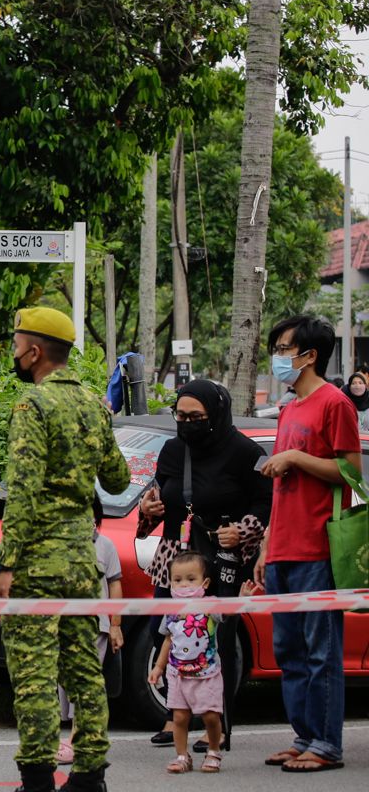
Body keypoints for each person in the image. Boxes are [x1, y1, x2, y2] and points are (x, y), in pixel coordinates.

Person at [0, 307, 131, 792]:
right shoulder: (93, 404)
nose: (13, 353)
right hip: (81, 561)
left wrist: (5, 563)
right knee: (83, 669)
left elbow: (23, 490)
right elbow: (117, 478)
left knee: (33, 674)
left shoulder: (33, 404)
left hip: (36, 566)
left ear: (34, 351)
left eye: (15, 345)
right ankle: (91, 775)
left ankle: (37, 779)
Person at [136, 380, 271, 751]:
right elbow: (157, 497)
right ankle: (174, 716)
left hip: (219, 563)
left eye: (196, 417)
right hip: (175, 560)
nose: (186, 423)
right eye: (180, 416)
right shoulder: (171, 451)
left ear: (216, 414)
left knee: (215, 641)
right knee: (167, 633)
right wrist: (148, 511)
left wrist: (241, 531)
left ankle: (219, 724)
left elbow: (265, 503)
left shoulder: (243, 453)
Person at [256, 314, 359, 773]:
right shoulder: (288, 408)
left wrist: (297, 457)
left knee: (321, 653)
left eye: (283, 347)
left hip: (319, 548)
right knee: (290, 653)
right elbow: (280, 490)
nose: (278, 356)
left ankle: (327, 745)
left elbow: (351, 472)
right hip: (281, 549)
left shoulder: (335, 404)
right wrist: (264, 548)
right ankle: (304, 738)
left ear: (309, 355)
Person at [56, 501, 123, 767]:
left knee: (84, 680)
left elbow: (114, 584)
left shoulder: (105, 546)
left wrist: (116, 624)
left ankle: (77, 740)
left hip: (96, 625)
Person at [148, 552, 225, 774]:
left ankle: (213, 751)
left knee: (210, 716)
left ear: (205, 582)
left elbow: (228, 614)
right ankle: (182, 756)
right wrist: (158, 667)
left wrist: (241, 598)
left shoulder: (210, 605)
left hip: (206, 672)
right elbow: (167, 639)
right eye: (178, 580)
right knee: (180, 717)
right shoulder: (171, 610)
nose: (184, 585)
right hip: (177, 673)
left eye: (191, 579)